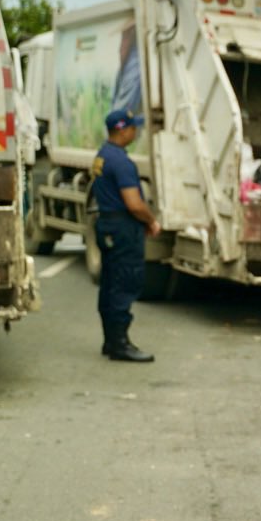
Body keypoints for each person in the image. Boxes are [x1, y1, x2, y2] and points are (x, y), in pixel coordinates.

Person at [92, 109, 161, 363]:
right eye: (133, 128)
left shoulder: (102, 156)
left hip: (107, 224)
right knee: (124, 282)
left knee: (110, 283)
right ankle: (120, 344)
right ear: (123, 130)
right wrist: (151, 220)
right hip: (122, 229)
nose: (136, 131)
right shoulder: (121, 162)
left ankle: (110, 341)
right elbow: (133, 203)